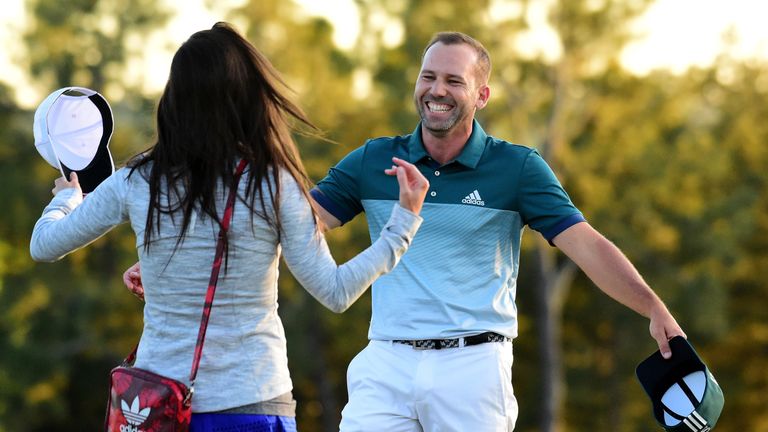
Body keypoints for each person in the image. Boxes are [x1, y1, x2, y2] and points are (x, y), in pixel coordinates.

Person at [30, 22, 428, 431]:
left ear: (175, 97)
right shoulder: (273, 184)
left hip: (155, 409)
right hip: (252, 404)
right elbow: (337, 291)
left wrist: (67, 196)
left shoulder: (138, 180)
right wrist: (402, 223)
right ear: (247, 98)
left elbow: (44, 245)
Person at [307, 32, 687, 431]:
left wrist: (652, 306)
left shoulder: (518, 168)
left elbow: (587, 246)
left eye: (454, 81)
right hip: (385, 361)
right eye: (428, 77)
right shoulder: (373, 160)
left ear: (481, 96)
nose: (437, 90)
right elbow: (300, 224)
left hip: (472, 367)